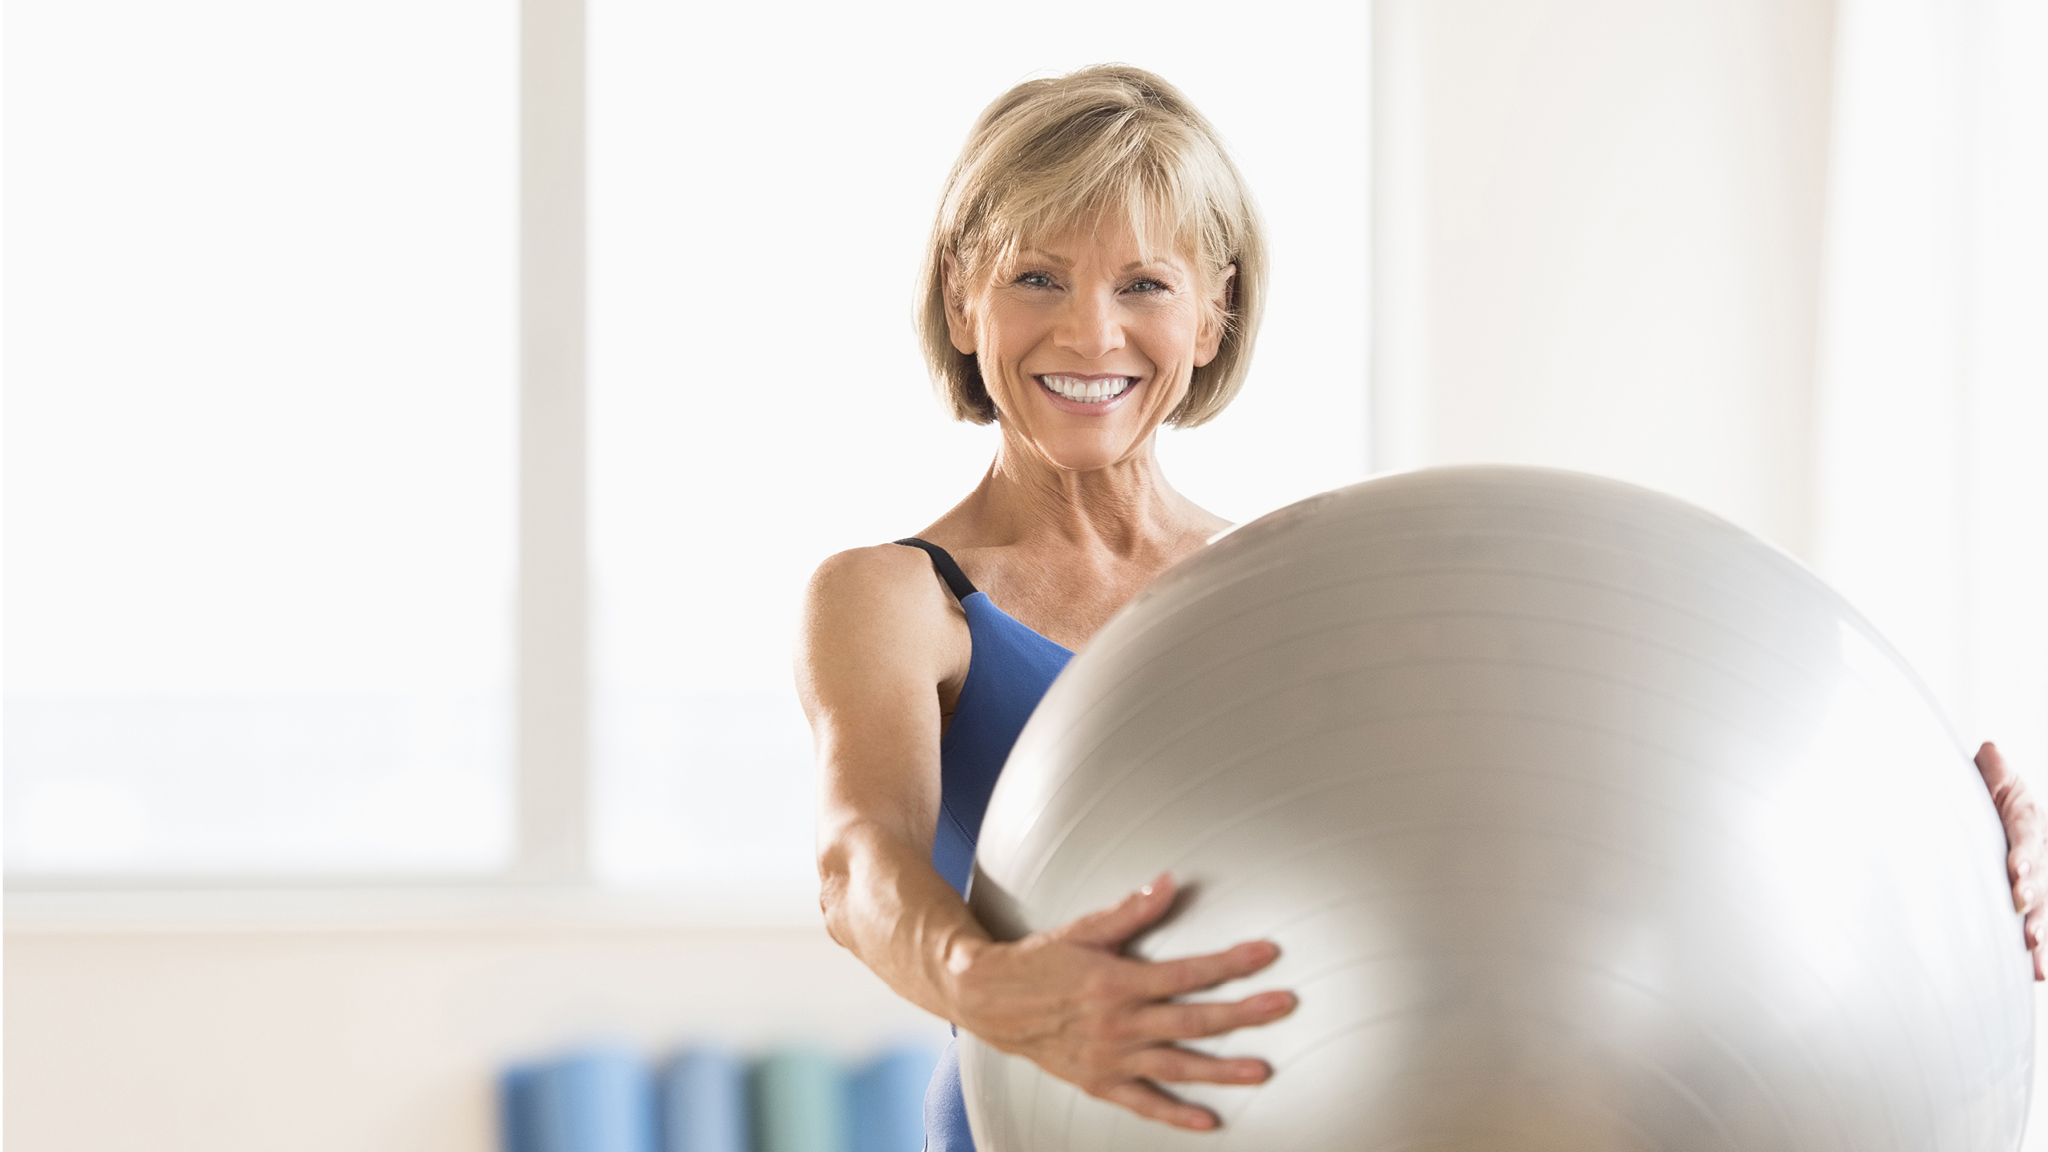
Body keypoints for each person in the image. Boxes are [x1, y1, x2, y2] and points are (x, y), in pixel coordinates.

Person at [795, 64, 2048, 1151]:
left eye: (1143, 284)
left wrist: (1933, 853)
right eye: (1035, 276)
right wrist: (997, 986)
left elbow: (1547, 804)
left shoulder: (1286, 584)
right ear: (963, 295)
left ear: (1212, 307)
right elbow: (861, 864)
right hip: (1044, 1122)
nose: (1090, 330)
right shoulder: (895, 596)